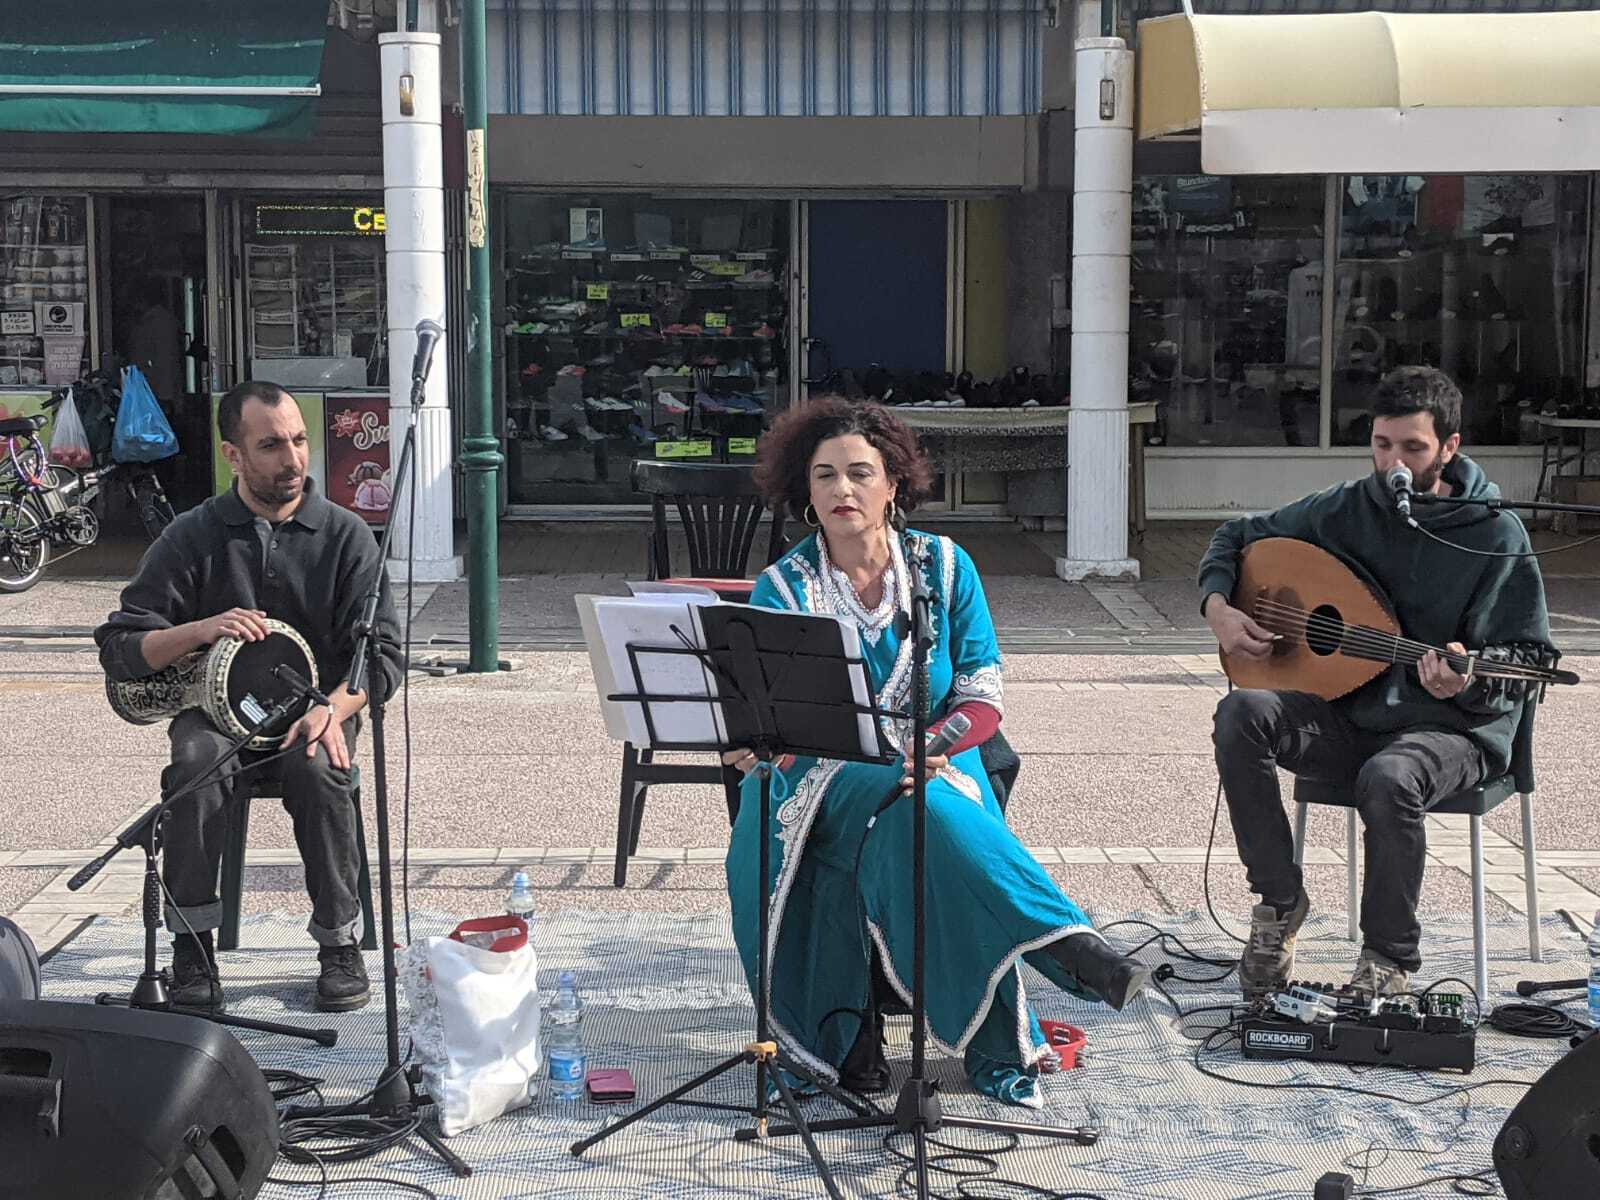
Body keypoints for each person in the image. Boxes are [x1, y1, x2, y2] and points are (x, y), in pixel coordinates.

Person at [723, 398, 1149, 1107]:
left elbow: (982, 690)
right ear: (806, 491)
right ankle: (1063, 943)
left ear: (894, 484)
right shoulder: (783, 588)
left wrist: (929, 748)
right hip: (816, 780)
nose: (842, 490)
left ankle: (861, 1036)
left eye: (860, 472)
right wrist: (758, 741)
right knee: (904, 803)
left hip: (941, 762)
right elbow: (778, 723)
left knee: (921, 813)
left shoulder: (945, 568)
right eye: (824, 476)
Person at [1199, 366, 1552, 1002]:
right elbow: (1236, 535)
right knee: (1241, 713)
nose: (1393, 462)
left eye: (1412, 448)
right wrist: (1219, 609)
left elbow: (1526, 660)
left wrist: (1463, 685)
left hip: (1450, 731)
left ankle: (1387, 954)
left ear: (1450, 447)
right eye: (1383, 444)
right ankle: (1280, 904)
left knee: (1390, 777)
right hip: (1348, 717)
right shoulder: (1343, 509)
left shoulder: (1495, 533)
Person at [95, 381, 403, 1013]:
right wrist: (199, 630)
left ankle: (338, 944)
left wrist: (334, 710)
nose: (292, 459)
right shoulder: (193, 535)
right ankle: (193, 950)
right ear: (233, 455)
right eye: (270, 445)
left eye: (298, 440)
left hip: (312, 712)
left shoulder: (347, 536)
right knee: (193, 768)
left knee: (323, 769)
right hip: (214, 719)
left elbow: (385, 657)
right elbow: (121, 645)